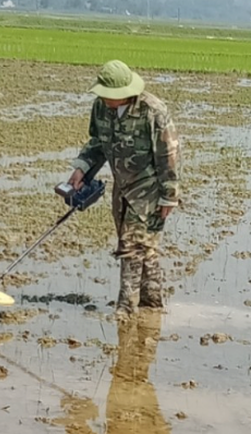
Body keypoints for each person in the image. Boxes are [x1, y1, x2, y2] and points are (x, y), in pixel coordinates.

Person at [67, 59, 180, 322]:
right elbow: (97, 142)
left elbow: (169, 156)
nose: (105, 99)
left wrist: (169, 196)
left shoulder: (154, 113)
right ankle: (152, 305)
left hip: (149, 188)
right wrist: (82, 168)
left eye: (110, 95)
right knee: (145, 247)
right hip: (122, 186)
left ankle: (126, 310)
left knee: (130, 246)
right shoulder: (101, 108)